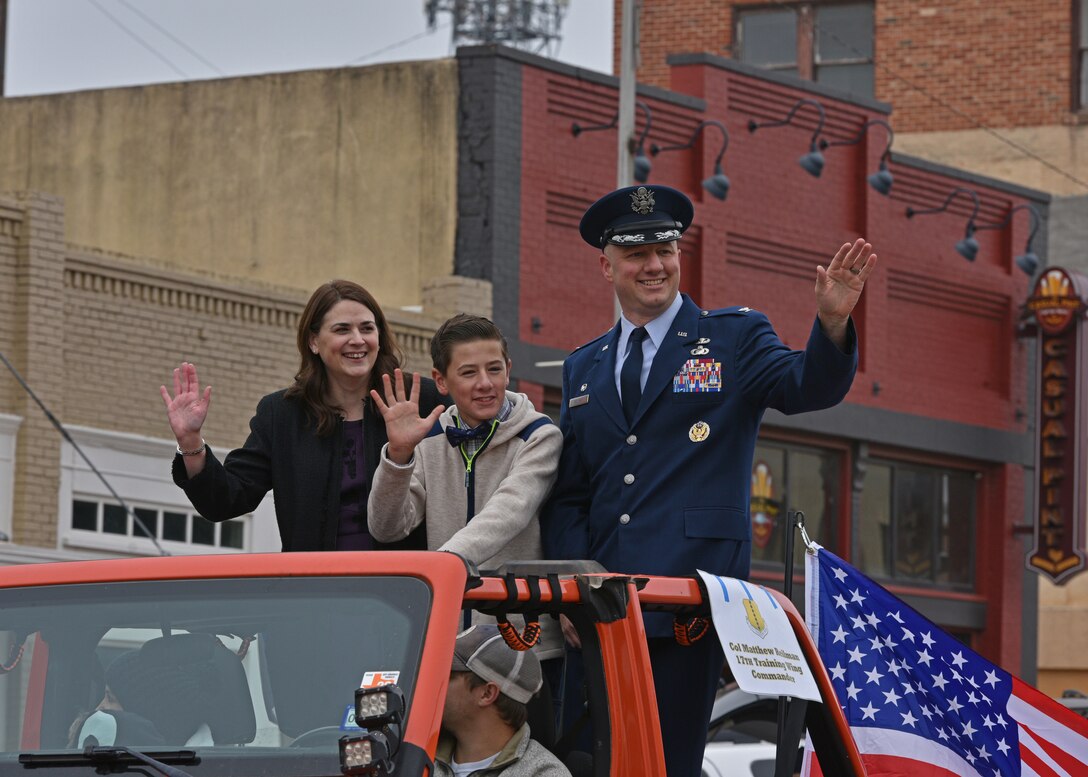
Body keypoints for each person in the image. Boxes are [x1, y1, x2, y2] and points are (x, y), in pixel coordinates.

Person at [541, 184, 876, 777]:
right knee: (588, 762)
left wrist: (831, 326)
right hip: (599, 612)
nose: (655, 265)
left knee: (667, 764)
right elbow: (570, 493)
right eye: (637, 254)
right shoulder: (582, 365)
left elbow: (807, 388)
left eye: (665, 249)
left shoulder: (734, 338)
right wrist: (572, 584)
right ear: (606, 264)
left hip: (686, 608)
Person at [161, 279, 443, 551]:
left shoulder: (422, 400)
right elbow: (226, 501)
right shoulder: (281, 415)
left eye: (367, 328)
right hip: (314, 589)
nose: (357, 340)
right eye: (342, 330)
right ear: (314, 342)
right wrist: (189, 441)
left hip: (405, 590)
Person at [367, 314, 563, 658]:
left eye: (494, 369)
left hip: (522, 644)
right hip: (448, 643)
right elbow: (387, 528)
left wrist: (442, 564)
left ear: (508, 367)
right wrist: (398, 455)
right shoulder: (430, 439)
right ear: (441, 381)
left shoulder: (539, 435)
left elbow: (510, 510)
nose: (485, 383)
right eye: (469, 373)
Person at [436, 624, 571, 777]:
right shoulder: (415, 752)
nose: (431, 683)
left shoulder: (543, 773)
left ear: (487, 694)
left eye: (448, 676)